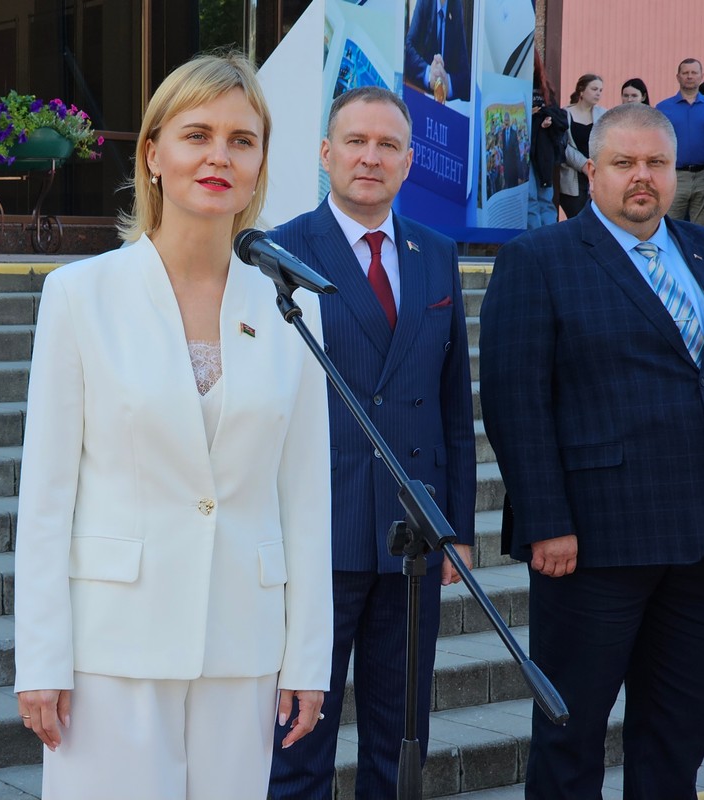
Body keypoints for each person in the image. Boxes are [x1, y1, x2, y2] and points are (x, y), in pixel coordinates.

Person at [12, 52, 333, 800]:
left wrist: (307, 656)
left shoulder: (290, 307)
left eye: (242, 140)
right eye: (197, 135)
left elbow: (305, 497)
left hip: (243, 645)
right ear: (153, 155)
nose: (220, 156)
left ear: (260, 164)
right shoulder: (80, 295)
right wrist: (42, 659)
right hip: (112, 647)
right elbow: (47, 497)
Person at [479, 102, 704, 799]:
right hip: (592, 544)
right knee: (570, 738)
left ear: (675, 171)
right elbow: (516, 402)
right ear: (593, 170)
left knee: (677, 740)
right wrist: (546, 521)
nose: (641, 176)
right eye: (623, 162)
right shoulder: (538, 260)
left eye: (656, 163)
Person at [267, 85, 476, 800]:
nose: (370, 157)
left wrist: (456, 526)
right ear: (326, 154)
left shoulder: (435, 252)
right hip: (317, 533)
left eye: (388, 145)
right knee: (298, 740)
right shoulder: (281, 251)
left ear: (410, 161)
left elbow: (453, 402)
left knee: (400, 735)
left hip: (412, 539)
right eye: (356, 141)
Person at [657, 58, 704, 226]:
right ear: (678, 77)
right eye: (685, 73)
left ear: (701, 76)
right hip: (676, 176)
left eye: (694, 73)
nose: (689, 76)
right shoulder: (663, 108)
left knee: (701, 228)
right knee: (670, 225)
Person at [528, 50, 569, 229]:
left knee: (545, 199)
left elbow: (559, 117)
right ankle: (537, 239)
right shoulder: (514, 84)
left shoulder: (544, 88)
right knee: (530, 199)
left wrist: (546, 120)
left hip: (543, 152)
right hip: (523, 151)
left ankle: (548, 237)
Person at [558, 73, 606, 219]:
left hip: (597, 176)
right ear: (581, 90)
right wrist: (583, 164)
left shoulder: (604, 115)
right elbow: (562, 145)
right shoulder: (564, 114)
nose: (598, 93)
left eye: (600, 90)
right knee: (578, 219)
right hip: (572, 178)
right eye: (594, 89)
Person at [404, 0, 471, 103]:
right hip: (423, 96)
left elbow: (466, 78)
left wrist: (448, 83)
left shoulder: (458, 6)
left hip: (448, 104)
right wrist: (429, 74)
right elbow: (408, 49)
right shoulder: (424, 2)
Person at [501, 110, 522, 188]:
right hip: (506, 166)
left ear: (509, 121)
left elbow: (517, 153)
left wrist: (519, 173)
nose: (506, 122)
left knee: (513, 186)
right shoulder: (503, 132)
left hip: (513, 167)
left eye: (507, 120)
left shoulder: (514, 133)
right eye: (505, 120)